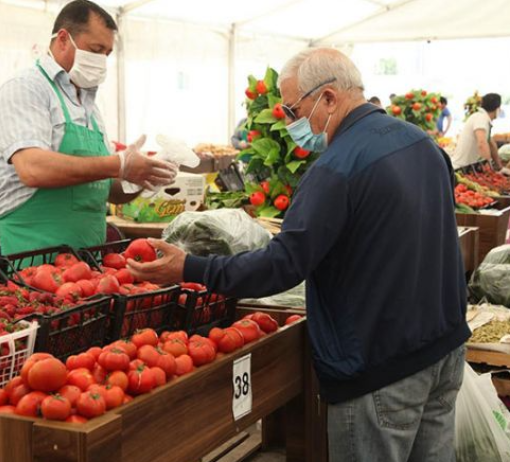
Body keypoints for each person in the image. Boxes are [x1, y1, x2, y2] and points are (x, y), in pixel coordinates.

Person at [128, 48, 469, 462]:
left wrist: (190, 266)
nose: (290, 123)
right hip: (444, 349)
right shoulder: (421, 143)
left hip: (381, 367)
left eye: (293, 109)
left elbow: (282, 264)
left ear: (328, 98)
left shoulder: (336, 169)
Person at [0, 0, 177, 255]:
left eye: (106, 54)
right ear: (63, 39)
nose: (101, 61)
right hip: (23, 253)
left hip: (83, 263)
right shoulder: (26, 89)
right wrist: (118, 164)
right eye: (95, 49)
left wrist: (141, 176)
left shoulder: (89, 107)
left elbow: (104, 189)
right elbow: (32, 169)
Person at [450, 93, 503, 170]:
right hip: (461, 168)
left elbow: (491, 144)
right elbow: (482, 143)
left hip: (468, 167)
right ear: (497, 109)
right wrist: (490, 169)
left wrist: (499, 166)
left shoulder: (481, 118)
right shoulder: (481, 118)